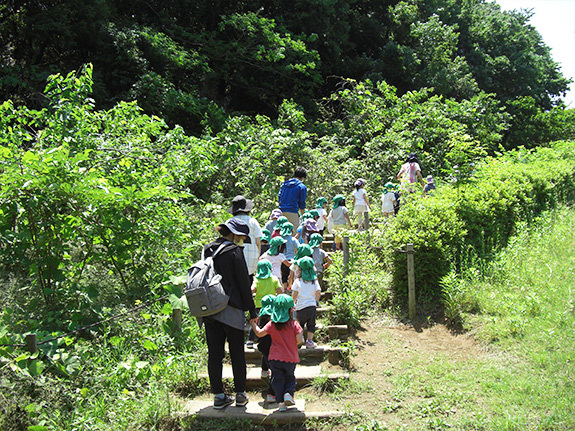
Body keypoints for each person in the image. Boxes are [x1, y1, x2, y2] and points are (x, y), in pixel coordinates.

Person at [201, 218, 257, 409]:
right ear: (233, 234)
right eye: (240, 237)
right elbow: (243, 283)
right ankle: (240, 394)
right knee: (237, 353)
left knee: (214, 354)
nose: (241, 240)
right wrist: (252, 311)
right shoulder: (234, 252)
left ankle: (218, 396)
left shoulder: (207, 249)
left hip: (209, 309)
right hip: (232, 309)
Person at [250, 294, 303, 412]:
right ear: (290, 310)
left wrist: (253, 323)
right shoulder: (294, 325)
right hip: (290, 358)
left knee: (277, 379)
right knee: (289, 378)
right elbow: (299, 340)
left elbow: (259, 333)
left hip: (274, 358)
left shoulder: (271, 324)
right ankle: (288, 394)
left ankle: (280, 403)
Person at [247, 260, 283, 348]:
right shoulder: (274, 278)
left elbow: (252, 289)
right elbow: (280, 291)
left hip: (259, 304)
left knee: (256, 321)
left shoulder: (257, 279)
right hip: (272, 305)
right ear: (270, 269)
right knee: (272, 322)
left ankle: (250, 340)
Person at [229, 195, 263, 281]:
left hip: (234, 259)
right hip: (251, 260)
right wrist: (257, 258)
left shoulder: (229, 222)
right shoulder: (253, 221)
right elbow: (258, 242)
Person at [292, 256, 321, 349]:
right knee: (311, 324)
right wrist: (315, 300)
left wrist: (293, 303)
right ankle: (309, 341)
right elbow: (318, 291)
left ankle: (299, 340)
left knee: (299, 324)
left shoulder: (298, 281)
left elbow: (294, 294)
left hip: (300, 307)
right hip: (311, 306)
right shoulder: (314, 281)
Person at [255, 294, 277, 402]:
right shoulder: (275, 316)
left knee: (265, 356)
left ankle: (264, 370)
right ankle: (271, 393)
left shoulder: (260, 316)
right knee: (275, 370)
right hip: (273, 346)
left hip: (263, 345)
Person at [280, 222, 299, 291]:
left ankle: (284, 288)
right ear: (291, 231)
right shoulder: (293, 239)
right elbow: (299, 248)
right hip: (291, 260)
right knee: (291, 275)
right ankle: (290, 288)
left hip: (282, 260)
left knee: (284, 275)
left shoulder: (280, 239)